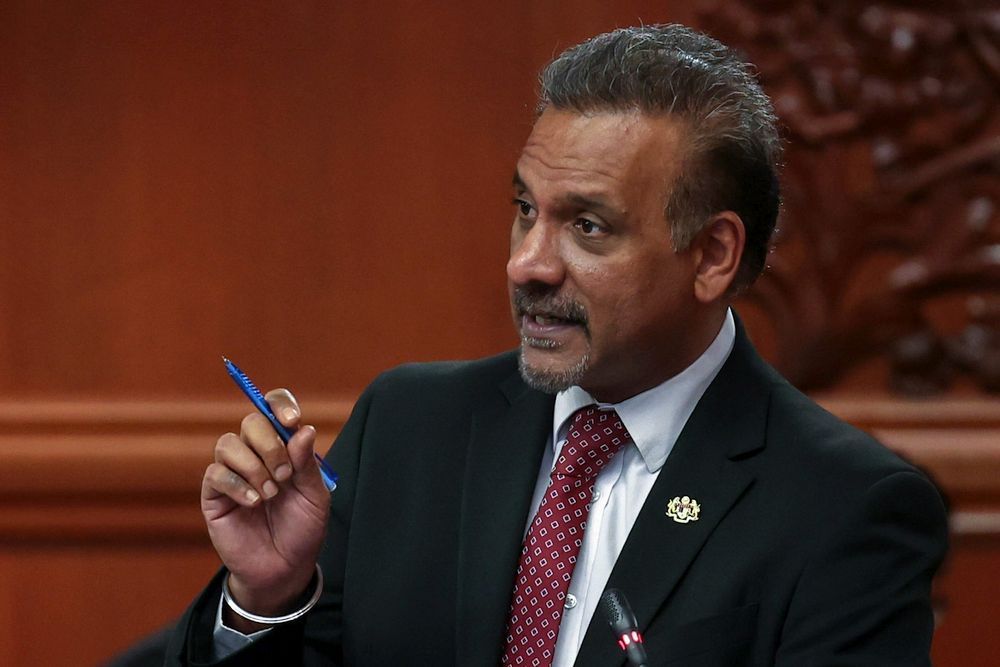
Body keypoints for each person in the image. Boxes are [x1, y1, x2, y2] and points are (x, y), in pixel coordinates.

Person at [164, 24, 948, 666]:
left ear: (712, 256)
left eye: (588, 225)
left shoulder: (843, 507)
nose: (527, 264)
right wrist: (265, 601)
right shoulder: (409, 427)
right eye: (525, 210)